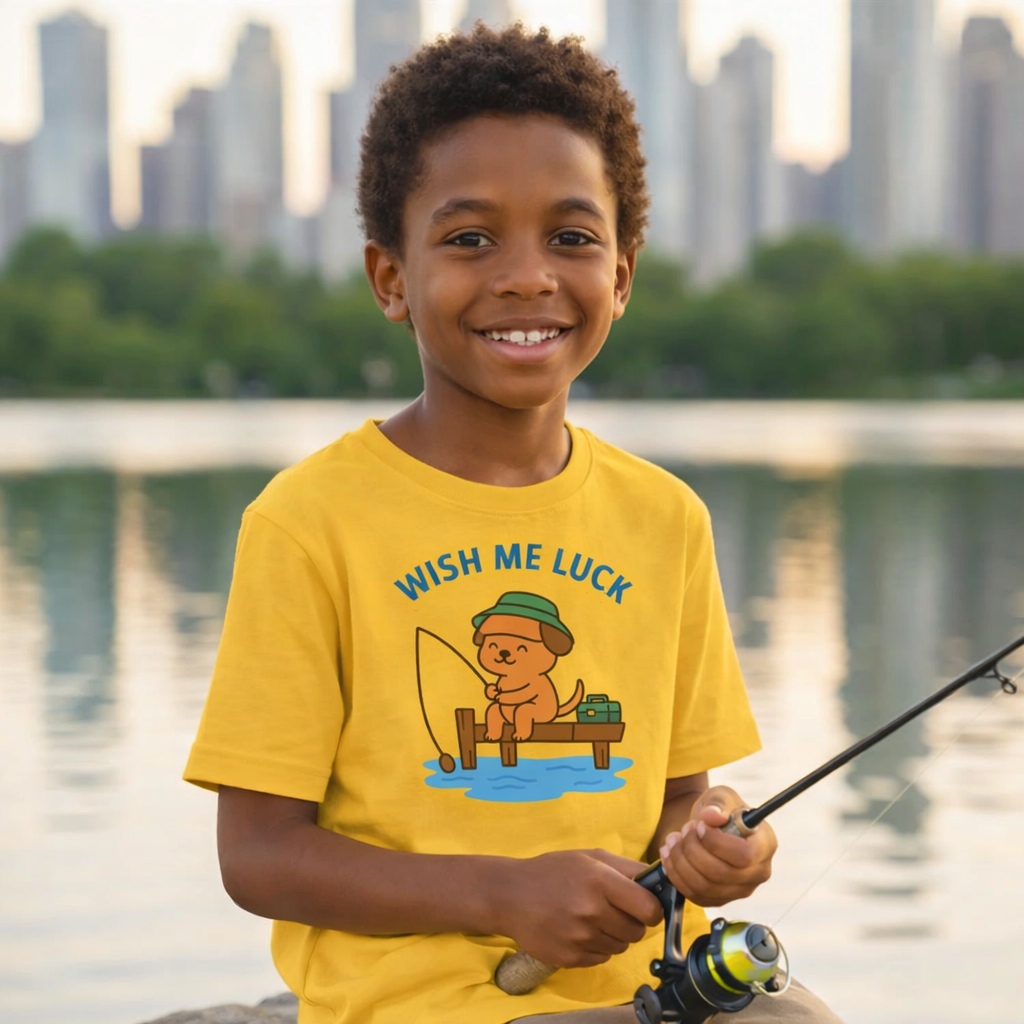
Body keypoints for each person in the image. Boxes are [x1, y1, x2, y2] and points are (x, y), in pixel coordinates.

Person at [184, 23, 844, 1024]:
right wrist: (503, 892)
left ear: (621, 274)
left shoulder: (666, 517)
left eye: (572, 237)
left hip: (649, 989)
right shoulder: (308, 521)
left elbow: (679, 798)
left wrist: (713, 842)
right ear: (390, 277)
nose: (527, 275)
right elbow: (259, 854)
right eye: (469, 238)